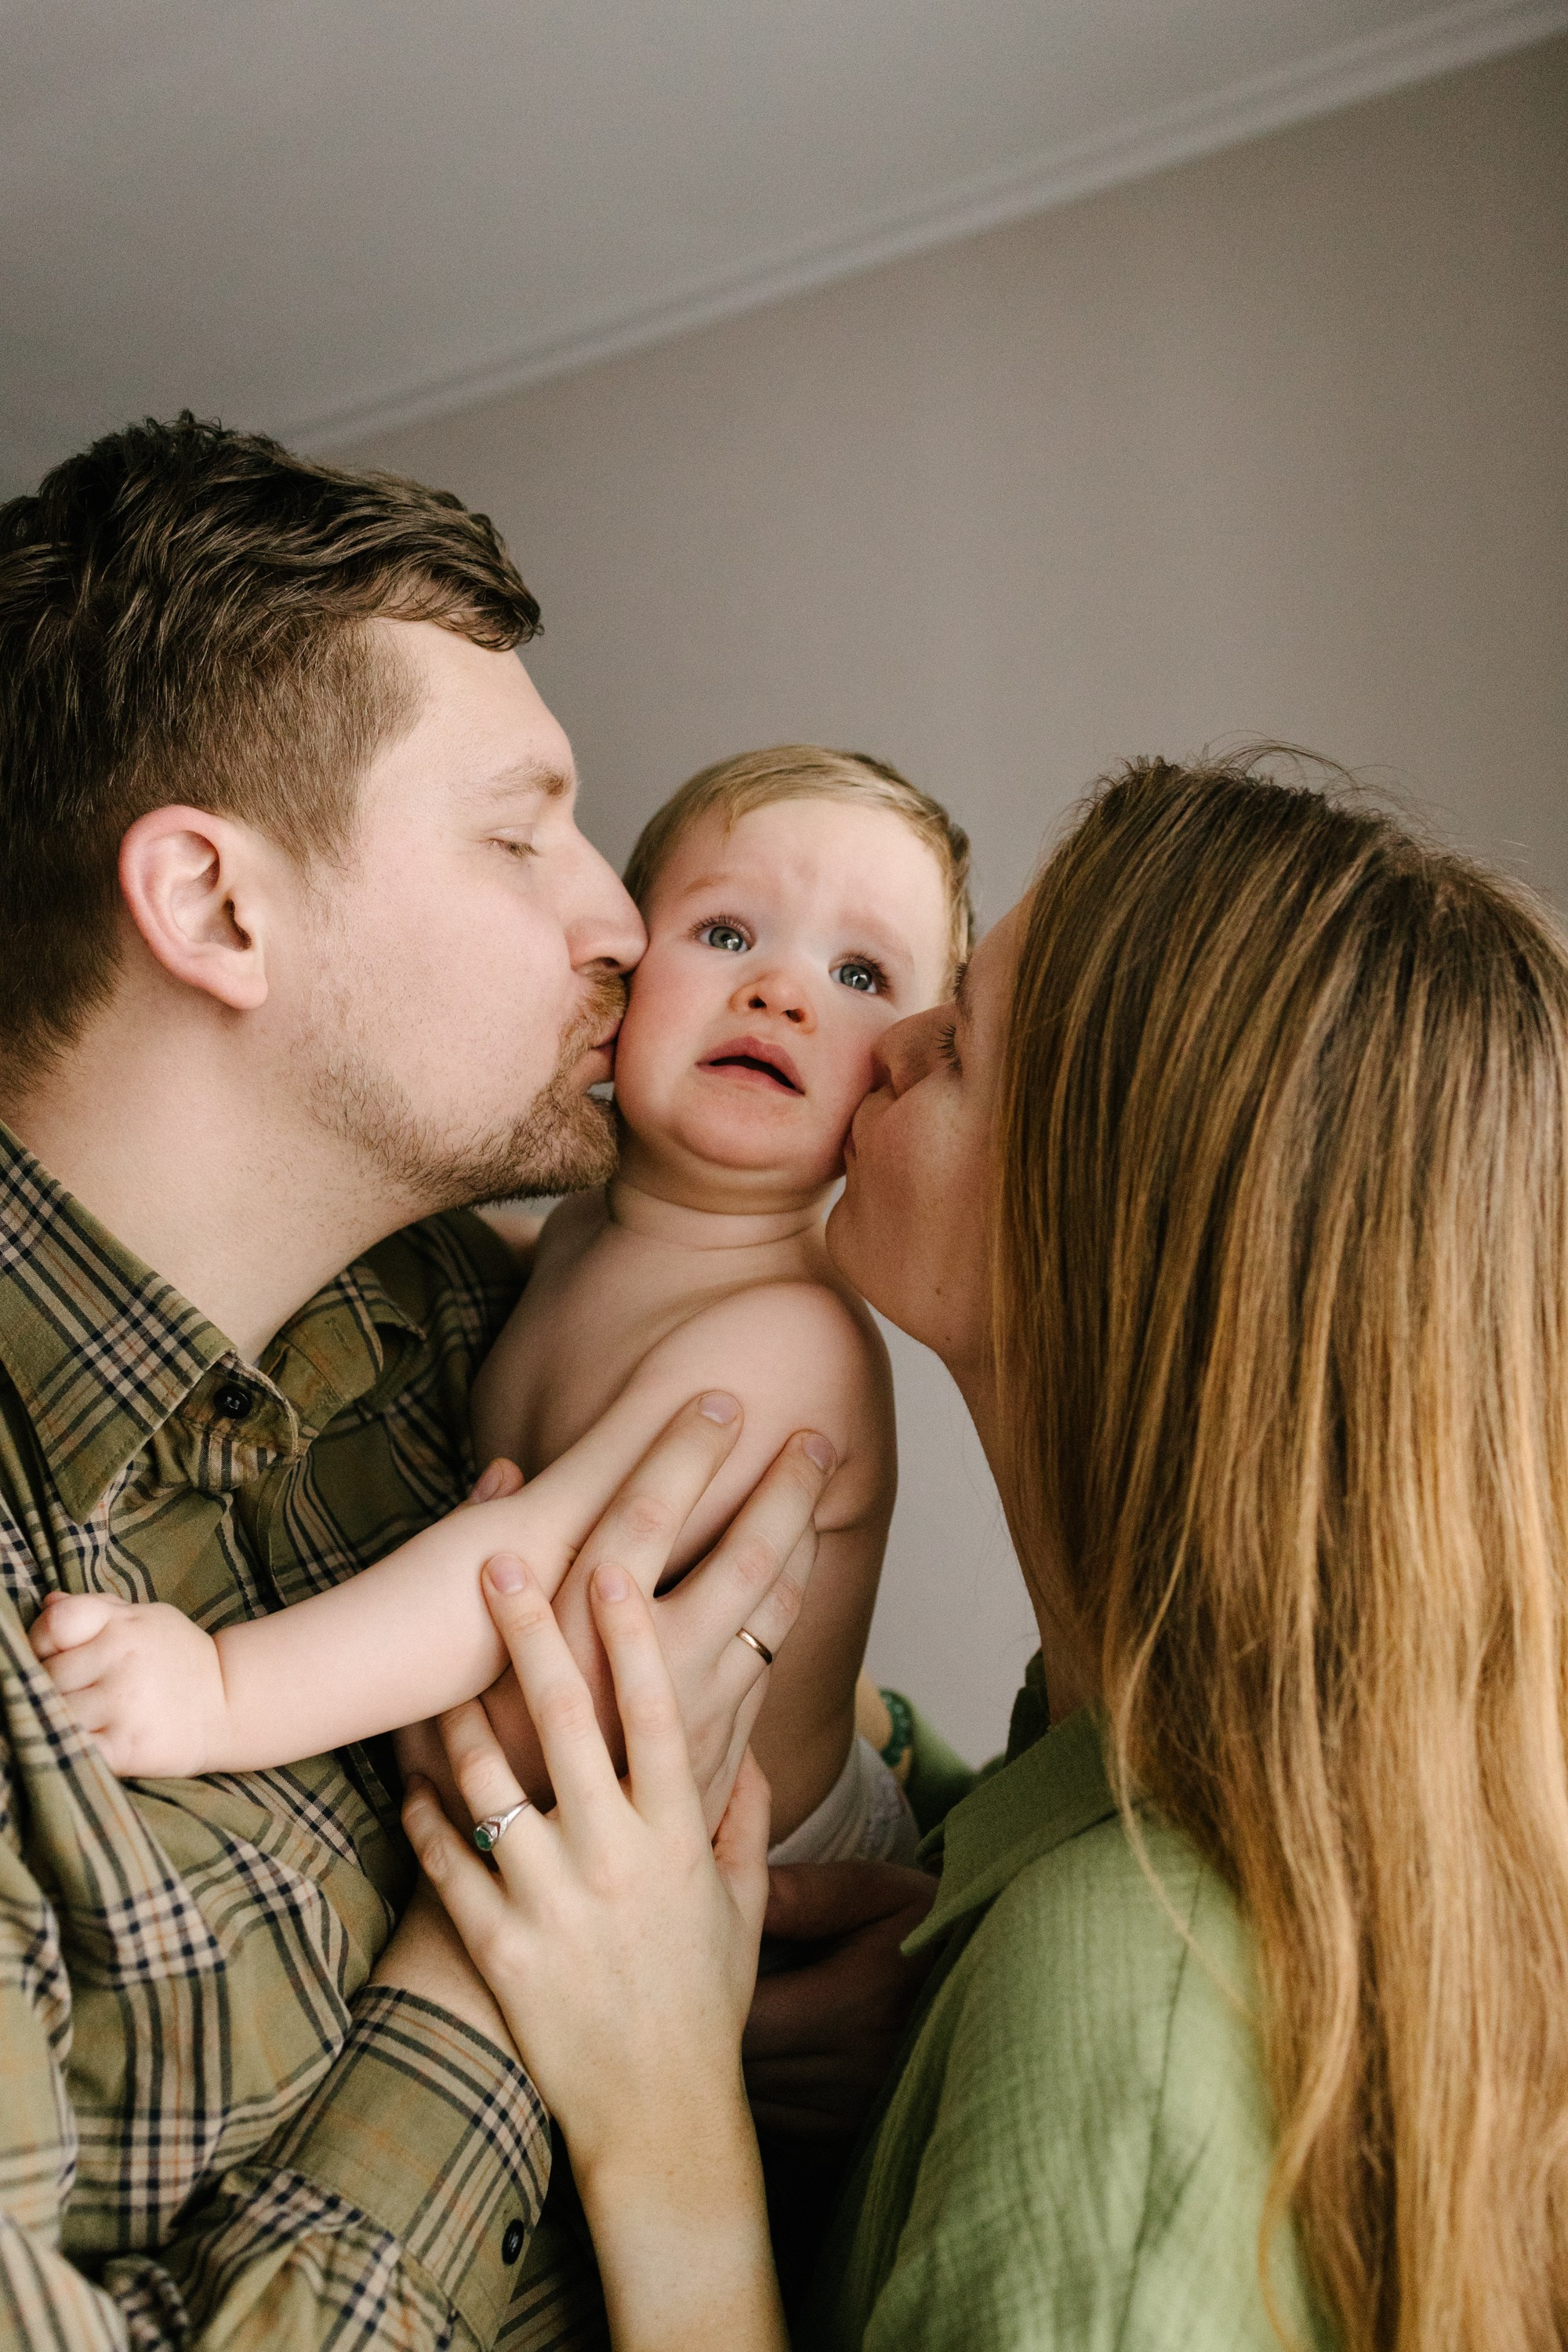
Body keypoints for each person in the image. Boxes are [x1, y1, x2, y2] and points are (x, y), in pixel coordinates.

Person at [404, 753, 1568, 2351]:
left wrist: (663, 2123)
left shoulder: (1120, 2014)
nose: (877, 1040)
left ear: (1119, 1233)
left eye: (953, 1042)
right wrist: (889, 1825)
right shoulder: (1124, 1739)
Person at [0, 416, 837, 2350]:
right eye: (517, 830)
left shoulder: (455, 1318)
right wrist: (506, 1976)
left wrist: (784, 1983)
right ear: (218, 909)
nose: (621, 921)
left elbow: (766, 1710)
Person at [29, 746, 971, 1867]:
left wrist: (223, 1691)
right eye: (725, 934)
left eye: (862, 974)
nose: (781, 990)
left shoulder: (786, 1338)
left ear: (902, 1071)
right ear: (622, 967)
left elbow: (516, 1570)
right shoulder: (585, 1229)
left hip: (775, 1865)